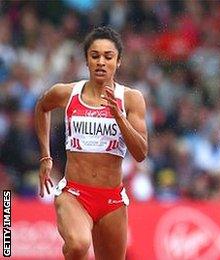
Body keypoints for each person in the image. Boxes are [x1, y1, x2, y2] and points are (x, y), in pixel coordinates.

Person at [34, 26, 148, 259]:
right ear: (86, 60)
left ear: (119, 62)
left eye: (108, 56)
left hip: (112, 200)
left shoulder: (131, 99)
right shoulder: (67, 93)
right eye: (94, 56)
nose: (101, 62)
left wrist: (120, 118)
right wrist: (45, 156)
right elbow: (42, 107)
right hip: (74, 194)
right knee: (78, 245)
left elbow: (141, 153)